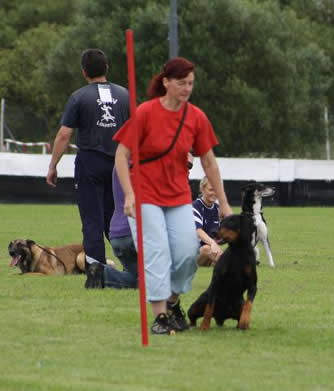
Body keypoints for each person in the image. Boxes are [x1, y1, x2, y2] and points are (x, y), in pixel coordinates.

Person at [113, 57, 233, 335]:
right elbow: (122, 155)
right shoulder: (145, 112)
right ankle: (161, 317)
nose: (187, 88)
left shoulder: (197, 117)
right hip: (144, 195)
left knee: (187, 253)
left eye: (191, 83)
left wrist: (225, 203)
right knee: (156, 252)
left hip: (178, 196)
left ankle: (173, 301)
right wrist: (129, 195)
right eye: (181, 83)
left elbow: (209, 162)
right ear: (166, 82)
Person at [46, 48, 129, 288]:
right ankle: (132, 266)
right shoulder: (125, 95)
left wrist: (53, 165)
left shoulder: (79, 97)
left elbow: (64, 135)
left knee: (92, 218)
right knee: (117, 218)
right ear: (107, 68)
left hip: (90, 163)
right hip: (119, 165)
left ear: (84, 72)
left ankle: (96, 274)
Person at [86, 167, 139, 289]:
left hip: (117, 234)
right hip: (135, 234)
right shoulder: (149, 163)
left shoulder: (119, 167)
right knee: (158, 280)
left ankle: (102, 273)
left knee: (138, 276)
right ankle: (105, 275)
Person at [192, 176, 223, 267]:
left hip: (212, 251)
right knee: (206, 249)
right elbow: (198, 231)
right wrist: (213, 243)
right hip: (195, 253)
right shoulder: (195, 206)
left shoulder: (218, 208)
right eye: (211, 190)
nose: (214, 193)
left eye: (216, 189)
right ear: (202, 189)